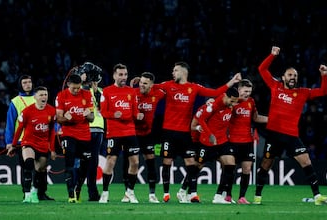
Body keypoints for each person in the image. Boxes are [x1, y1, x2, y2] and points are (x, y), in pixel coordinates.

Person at [253, 46, 327, 205]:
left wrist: (324, 75)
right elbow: (261, 69)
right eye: (290, 75)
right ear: (283, 77)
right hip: (274, 134)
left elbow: (323, 91)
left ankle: (317, 197)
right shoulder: (275, 86)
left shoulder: (303, 92)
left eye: (295, 75)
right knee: (266, 165)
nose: (293, 77)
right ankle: (257, 196)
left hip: (291, 135)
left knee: (306, 161)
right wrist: (272, 55)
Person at [155, 61, 242, 203]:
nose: (173, 73)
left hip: (196, 136)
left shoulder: (194, 87)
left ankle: (210, 195)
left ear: (183, 72)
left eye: (175, 70)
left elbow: (214, 92)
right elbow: (152, 86)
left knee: (223, 164)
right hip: (183, 135)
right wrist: (139, 83)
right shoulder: (169, 85)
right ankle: (174, 192)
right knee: (184, 165)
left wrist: (232, 81)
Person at [98, 63, 144, 204]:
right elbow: (103, 112)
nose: (123, 77)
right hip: (114, 132)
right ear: (114, 75)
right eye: (120, 74)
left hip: (130, 131)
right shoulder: (106, 91)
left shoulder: (131, 92)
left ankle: (130, 192)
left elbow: (134, 111)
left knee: (135, 162)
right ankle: (105, 192)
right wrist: (114, 114)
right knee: (111, 161)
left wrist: (138, 115)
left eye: (125, 74)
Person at [5, 75, 54, 201]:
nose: (28, 84)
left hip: (41, 140)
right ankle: (26, 193)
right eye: (24, 82)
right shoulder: (16, 101)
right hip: (23, 140)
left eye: (29, 82)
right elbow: (10, 123)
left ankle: (41, 193)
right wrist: (10, 142)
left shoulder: (39, 97)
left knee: (41, 168)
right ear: (20, 85)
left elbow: (50, 122)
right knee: (27, 166)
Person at [190, 88, 240, 204]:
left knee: (230, 164)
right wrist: (210, 135)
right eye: (232, 101)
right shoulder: (214, 105)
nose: (233, 104)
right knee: (197, 167)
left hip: (222, 141)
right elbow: (201, 119)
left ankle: (218, 196)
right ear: (226, 97)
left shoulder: (231, 102)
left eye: (235, 102)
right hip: (208, 142)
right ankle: (185, 190)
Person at [55, 73, 94, 203]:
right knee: (69, 163)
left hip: (84, 135)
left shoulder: (87, 94)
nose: (77, 90)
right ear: (68, 85)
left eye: (78, 88)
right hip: (68, 134)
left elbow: (92, 118)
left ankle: (78, 189)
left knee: (85, 164)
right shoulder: (61, 96)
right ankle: (71, 194)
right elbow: (58, 118)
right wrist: (66, 118)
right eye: (74, 88)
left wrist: (88, 115)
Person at [228, 79, 268, 204]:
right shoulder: (232, 101)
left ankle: (241, 197)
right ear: (239, 90)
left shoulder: (251, 102)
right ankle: (228, 196)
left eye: (249, 91)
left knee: (247, 169)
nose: (247, 94)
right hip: (233, 140)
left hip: (247, 141)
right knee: (230, 169)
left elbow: (256, 118)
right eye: (245, 91)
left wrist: (272, 119)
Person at [127, 72, 165, 203]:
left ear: (151, 85)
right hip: (133, 134)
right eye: (141, 82)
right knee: (133, 163)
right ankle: (129, 192)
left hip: (148, 134)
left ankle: (152, 194)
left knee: (151, 162)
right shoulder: (133, 93)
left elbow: (169, 89)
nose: (141, 85)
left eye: (145, 83)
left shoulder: (157, 93)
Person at [78, 62, 104, 201]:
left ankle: (92, 193)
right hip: (82, 129)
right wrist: (81, 83)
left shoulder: (100, 91)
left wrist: (95, 92)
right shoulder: (78, 90)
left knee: (93, 163)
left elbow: (102, 109)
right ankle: (76, 190)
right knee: (83, 162)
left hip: (97, 129)